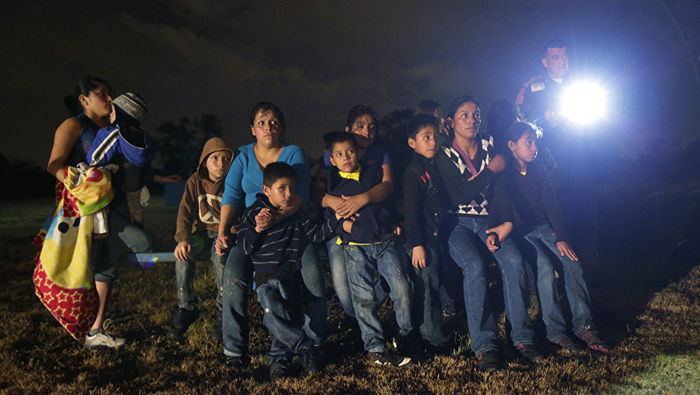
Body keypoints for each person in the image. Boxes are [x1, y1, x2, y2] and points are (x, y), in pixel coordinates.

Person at [435, 95, 544, 371]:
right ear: (451, 121)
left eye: (476, 114)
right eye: (464, 115)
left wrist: (504, 222)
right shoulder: (444, 152)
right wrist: (490, 171)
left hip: (488, 218)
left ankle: (522, 338)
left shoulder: (490, 144)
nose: (472, 120)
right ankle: (485, 345)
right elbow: (457, 195)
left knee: (513, 260)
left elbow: (502, 188)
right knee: (474, 266)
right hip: (456, 222)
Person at [216, 102, 325, 368]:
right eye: (262, 122)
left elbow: (301, 197)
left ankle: (315, 343)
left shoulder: (292, 153)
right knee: (233, 275)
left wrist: (275, 217)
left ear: (282, 128)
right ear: (253, 129)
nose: (268, 127)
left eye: (274, 122)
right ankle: (234, 351)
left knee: (313, 276)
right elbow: (231, 195)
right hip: (254, 230)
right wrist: (222, 232)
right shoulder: (242, 157)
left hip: (291, 228)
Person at [491, 122, 609, 352]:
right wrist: (492, 230)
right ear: (512, 145)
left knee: (571, 261)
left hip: (542, 226)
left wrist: (562, 237)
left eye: (535, 141)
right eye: (528, 141)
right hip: (519, 230)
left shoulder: (539, 169)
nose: (534, 146)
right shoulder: (504, 173)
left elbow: (551, 205)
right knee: (543, 268)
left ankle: (584, 326)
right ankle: (555, 330)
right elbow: (497, 205)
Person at [237, 162, 334, 381]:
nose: (289, 193)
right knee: (273, 314)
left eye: (292, 187)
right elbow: (243, 246)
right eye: (282, 188)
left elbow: (317, 234)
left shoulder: (295, 215)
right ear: (266, 190)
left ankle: (278, 362)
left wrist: (337, 218)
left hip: (290, 276)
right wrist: (257, 229)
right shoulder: (254, 213)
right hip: (265, 279)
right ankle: (305, 347)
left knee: (285, 319)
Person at [325, 132, 413, 367]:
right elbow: (328, 217)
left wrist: (392, 222)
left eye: (350, 152)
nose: (346, 157)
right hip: (355, 247)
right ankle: (375, 348)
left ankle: (405, 336)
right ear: (332, 159)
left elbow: (387, 200)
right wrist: (343, 226)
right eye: (339, 154)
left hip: (384, 241)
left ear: (360, 153)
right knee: (362, 299)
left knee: (402, 287)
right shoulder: (332, 183)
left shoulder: (374, 174)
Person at [312, 105, 394, 323]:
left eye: (372, 127)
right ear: (348, 129)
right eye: (360, 126)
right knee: (344, 292)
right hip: (339, 227)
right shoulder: (336, 154)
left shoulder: (380, 154)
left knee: (381, 280)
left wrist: (363, 199)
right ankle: (359, 316)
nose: (367, 131)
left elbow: (388, 184)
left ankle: (366, 323)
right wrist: (335, 203)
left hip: (369, 227)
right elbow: (317, 189)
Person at [163, 137, 233, 339]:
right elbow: (184, 210)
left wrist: (227, 233)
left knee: (220, 260)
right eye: (215, 158)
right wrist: (183, 238)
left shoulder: (233, 181)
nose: (221, 164)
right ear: (204, 161)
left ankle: (223, 310)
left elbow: (238, 210)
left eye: (226, 159)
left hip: (225, 233)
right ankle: (186, 307)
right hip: (200, 233)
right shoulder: (195, 181)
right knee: (183, 256)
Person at [401, 114, 450, 354]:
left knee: (435, 284)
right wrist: (417, 244)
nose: (432, 142)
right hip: (423, 241)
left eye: (435, 137)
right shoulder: (413, 172)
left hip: (436, 236)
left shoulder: (434, 165)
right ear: (412, 143)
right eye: (426, 137)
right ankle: (432, 339)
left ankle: (432, 331)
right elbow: (411, 212)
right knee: (428, 288)